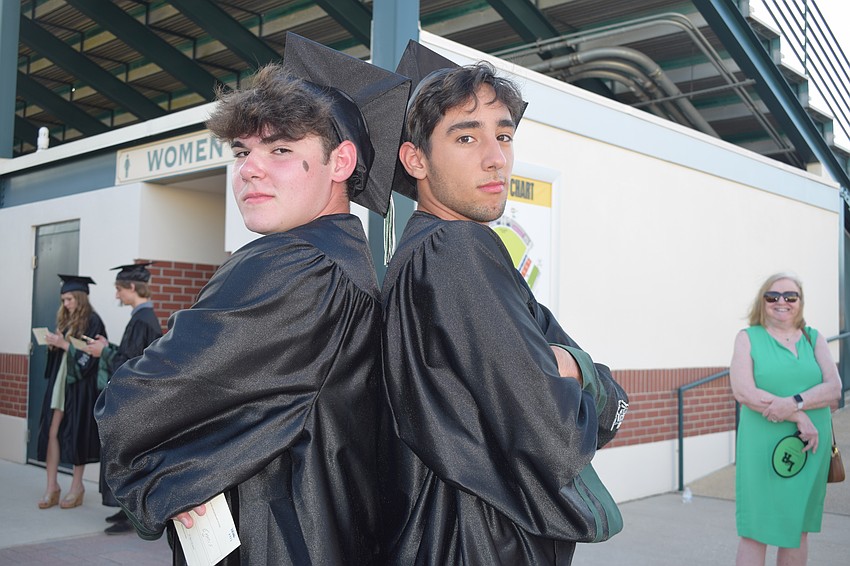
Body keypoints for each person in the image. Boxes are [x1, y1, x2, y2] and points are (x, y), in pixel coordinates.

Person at [94, 33, 410, 565]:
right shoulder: (353, 267)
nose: (249, 169)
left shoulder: (290, 265)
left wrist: (169, 464)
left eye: (282, 149)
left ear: (341, 162)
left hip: (275, 540)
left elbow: (134, 407)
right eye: (243, 151)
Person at [378, 43, 630, 565]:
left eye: (504, 135)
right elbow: (555, 434)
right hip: (479, 541)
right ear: (415, 158)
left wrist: (567, 364)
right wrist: (586, 373)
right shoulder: (457, 249)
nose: (496, 157)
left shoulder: (420, 251)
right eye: (466, 136)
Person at [730, 272, 841, 566]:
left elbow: (834, 388)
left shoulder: (813, 338)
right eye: (773, 296)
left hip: (809, 446)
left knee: (797, 529)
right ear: (762, 301)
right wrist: (798, 415)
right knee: (755, 530)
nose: (782, 302)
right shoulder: (748, 338)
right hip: (761, 443)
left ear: (800, 302)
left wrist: (795, 404)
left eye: (790, 296)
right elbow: (743, 390)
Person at [86, 262, 163, 535]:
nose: (116, 295)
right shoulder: (141, 318)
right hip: (134, 401)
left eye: (119, 289)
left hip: (135, 403)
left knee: (129, 457)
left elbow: (132, 364)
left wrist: (104, 354)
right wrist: (109, 349)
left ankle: (134, 515)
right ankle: (125, 509)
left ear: (132, 287)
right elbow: (132, 355)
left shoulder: (143, 320)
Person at [37, 274, 107, 510]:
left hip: (79, 386)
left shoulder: (93, 321)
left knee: (77, 433)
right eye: (63, 300)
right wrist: (52, 345)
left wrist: (64, 345)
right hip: (60, 383)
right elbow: (62, 354)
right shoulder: (64, 320)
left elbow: (91, 358)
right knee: (51, 432)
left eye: (68, 299)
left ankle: (77, 486)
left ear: (79, 297)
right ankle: (51, 486)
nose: (65, 304)